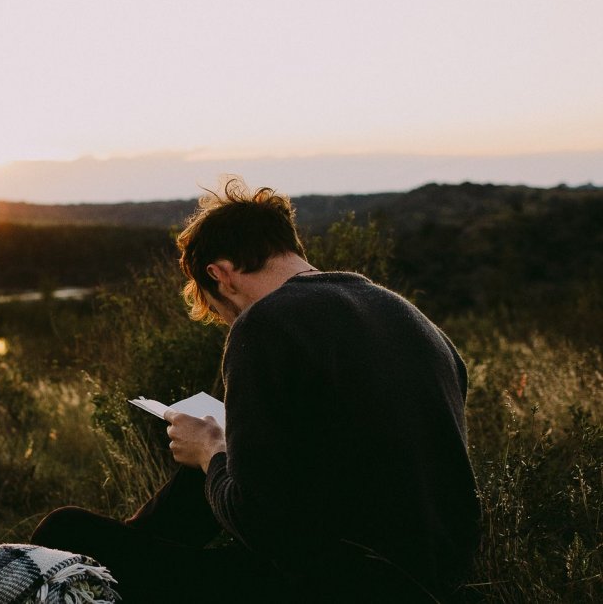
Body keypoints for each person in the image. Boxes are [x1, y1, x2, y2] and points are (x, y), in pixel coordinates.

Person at [31, 178, 480, 602]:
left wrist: (210, 454)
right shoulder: (415, 322)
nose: (228, 322)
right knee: (217, 460)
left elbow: (264, 527)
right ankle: (134, 547)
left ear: (221, 274)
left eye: (218, 310)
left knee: (65, 532)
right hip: (434, 578)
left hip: (340, 585)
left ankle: (112, 561)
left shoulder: (268, 323)